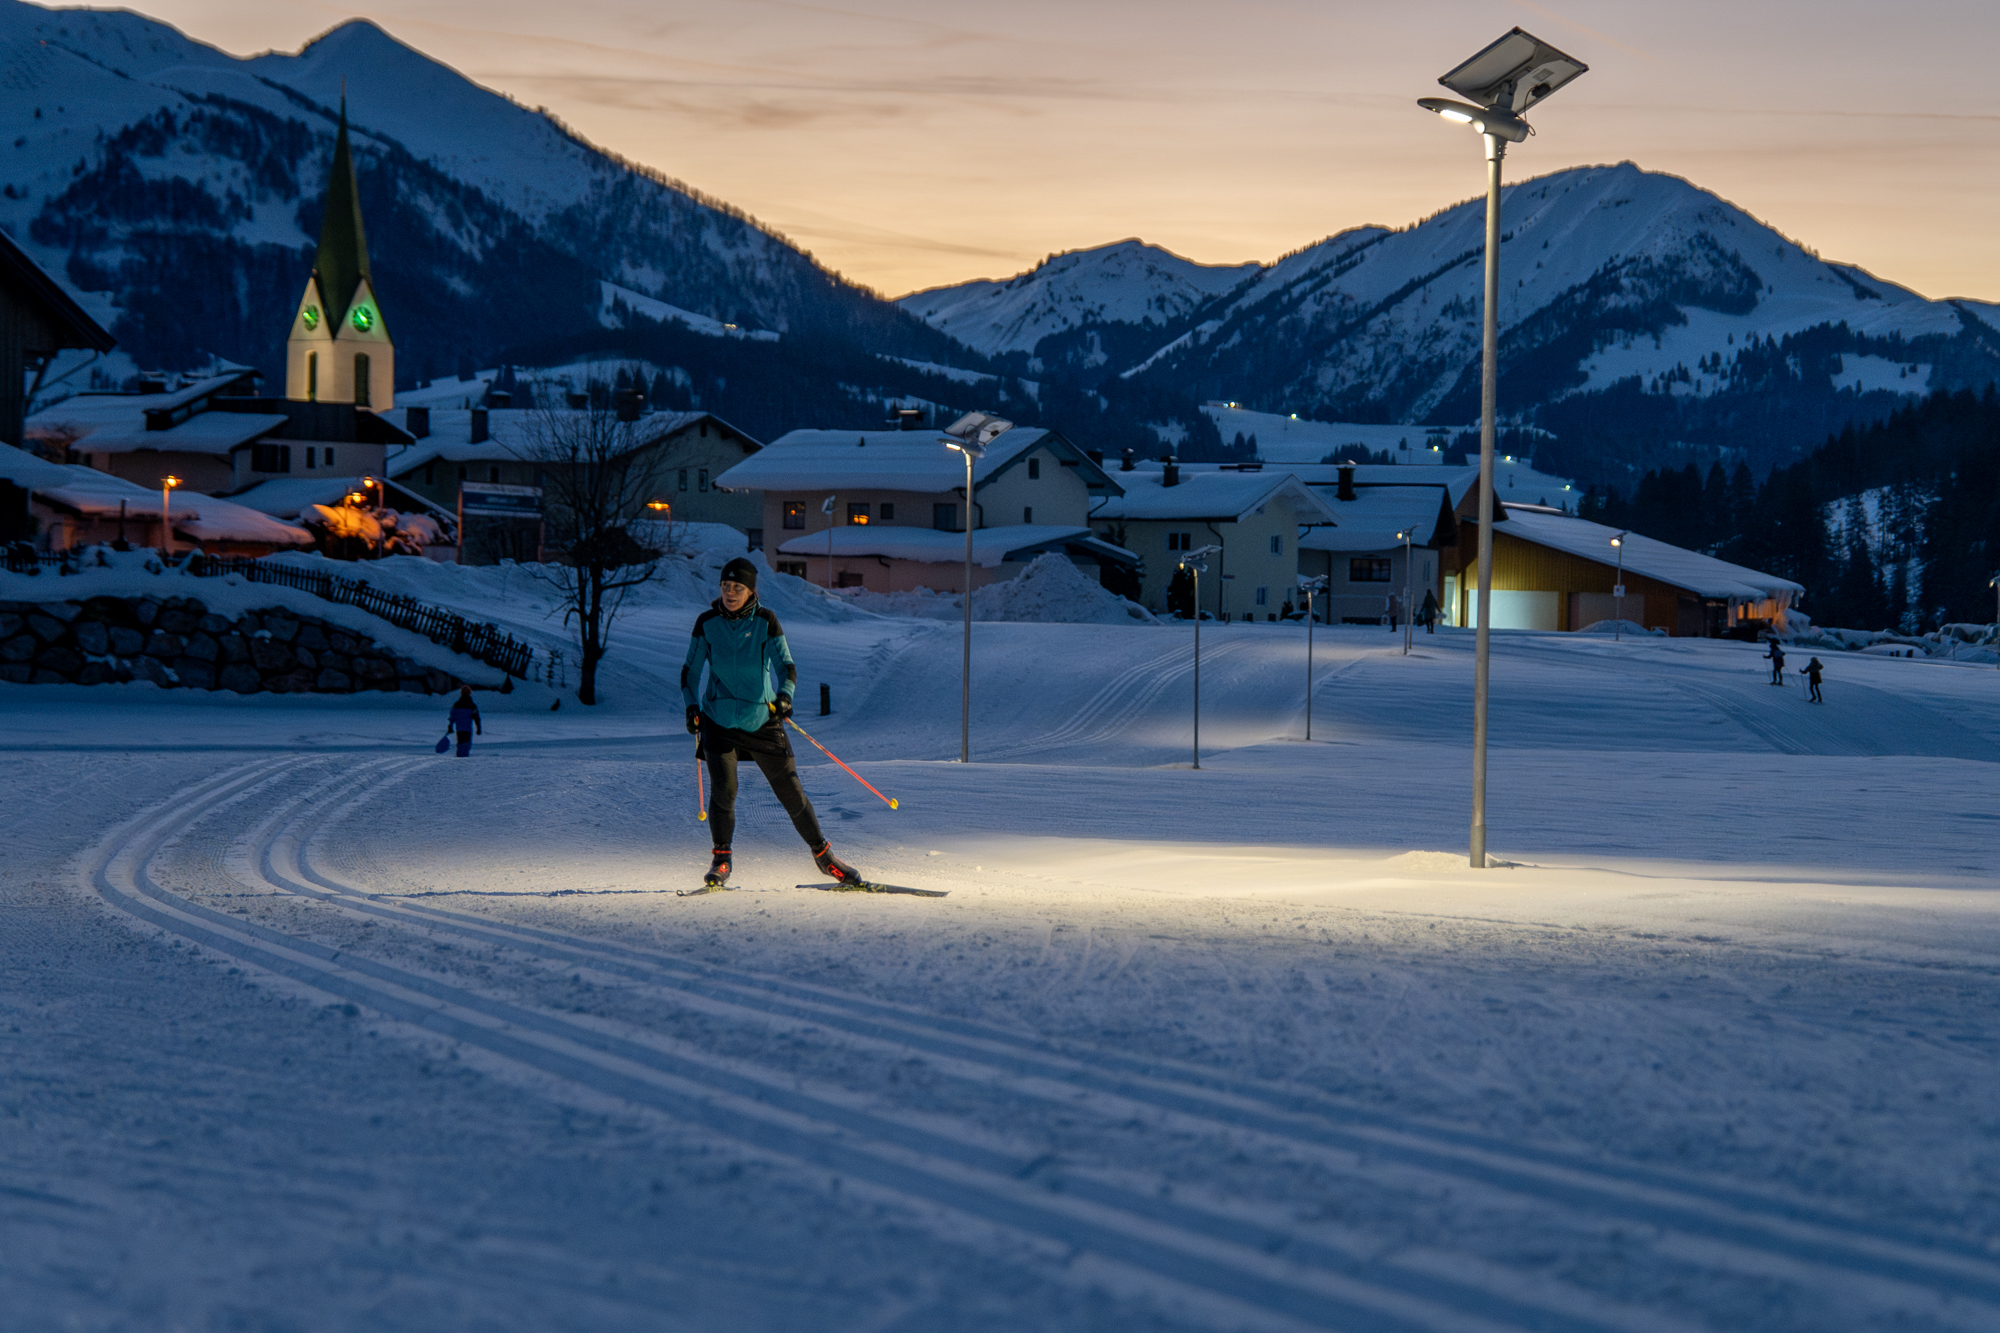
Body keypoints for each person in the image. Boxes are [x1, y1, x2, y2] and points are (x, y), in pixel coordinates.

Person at [682, 557, 862, 889]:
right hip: (718, 720)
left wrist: (785, 698)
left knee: (791, 792)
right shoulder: (707, 623)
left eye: (737, 588)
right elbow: (690, 673)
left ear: (751, 591)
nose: (730, 593)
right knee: (724, 792)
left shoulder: (766, 621)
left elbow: (787, 668)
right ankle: (721, 860)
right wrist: (692, 706)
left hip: (761, 720)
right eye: (725, 587)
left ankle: (825, 858)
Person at [448, 686, 481, 757]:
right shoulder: (472, 705)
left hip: (459, 728)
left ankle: (459, 758)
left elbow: (452, 716)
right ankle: (463, 761)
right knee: (466, 745)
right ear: (469, 693)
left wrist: (450, 726)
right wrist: (478, 728)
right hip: (467, 728)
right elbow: (476, 717)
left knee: (460, 744)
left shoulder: (456, 704)